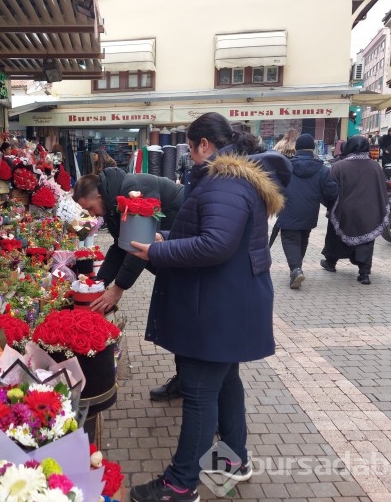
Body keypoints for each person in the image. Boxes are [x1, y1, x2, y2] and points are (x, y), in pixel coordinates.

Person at [128, 112, 284, 502]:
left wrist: (160, 251)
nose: (188, 157)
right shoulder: (229, 180)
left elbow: (216, 244)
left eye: (190, 147)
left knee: (199, 394)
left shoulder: (224, 183)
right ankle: (234, 462)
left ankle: (180, 485)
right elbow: (211, 233)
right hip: (226, 302)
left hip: (216, 306)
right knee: (226, 383)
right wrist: (169, 234)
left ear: (203, 144)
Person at [72, 169, 183, 315]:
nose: (92, 214)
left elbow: (139, 245)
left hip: (187, 239)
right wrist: (99, 283)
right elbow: (120, 246)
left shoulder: (135, 191)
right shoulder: (111, 204)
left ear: (99, 196)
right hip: (172, 250)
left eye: (90, 208)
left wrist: (118, 289)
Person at [320, 135, 389, 285]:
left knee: (335, 237)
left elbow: (329, 190)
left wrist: (330, 206)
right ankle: (364, 273)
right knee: (367, 241)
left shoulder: (338, 166)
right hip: (369, 212)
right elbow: (383, 190)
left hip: (344, 211)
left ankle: (331, 262)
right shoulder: (375, 166)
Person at [275, 134, 338, 289]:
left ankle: (296, 269)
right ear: (313, 148)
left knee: (290, 240)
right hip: (309, 212)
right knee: (303, 239)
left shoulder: (286, 166)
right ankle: (297, 269)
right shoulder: (322, 169)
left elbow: (275, 187)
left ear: (296, 148)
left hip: (288, 210)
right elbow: (331, 192)